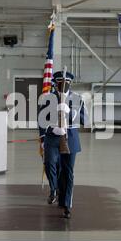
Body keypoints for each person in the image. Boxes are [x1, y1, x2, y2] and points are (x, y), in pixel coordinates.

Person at [38, 71, 87, 219]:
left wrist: (71, 112)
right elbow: (41, 120)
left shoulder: (77, 98)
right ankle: (54, 189)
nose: (63, 85)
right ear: (55, 83)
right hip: (52, 137)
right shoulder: (47, 98)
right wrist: (50, 129)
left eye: (66, 83)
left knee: (68, 172)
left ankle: (66, 205)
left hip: (70, 138)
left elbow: (86, 120)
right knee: (50, 163)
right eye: (60, 82)